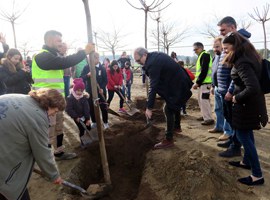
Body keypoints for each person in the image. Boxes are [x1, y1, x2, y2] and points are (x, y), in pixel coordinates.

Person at [31, 30, 95, 160]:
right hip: (46, 102)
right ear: (49, 41)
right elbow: (64, 62)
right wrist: (83, 52)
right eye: (58, 41)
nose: (61, 43)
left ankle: (59, 152)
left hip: (56, 102)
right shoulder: (41, 56)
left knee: (59, 128)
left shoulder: (52, 56)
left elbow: (62, 61)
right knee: (49, 130)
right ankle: (46, 159)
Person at [0, 88, 64, 200]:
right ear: (50, 104)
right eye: (56, 111)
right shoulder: (37, 116)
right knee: (10, 189)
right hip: (4, 165)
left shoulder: (17, 97)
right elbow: (42, 151)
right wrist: (54, 175)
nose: (54, 114)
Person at [222, 32, 267, 186]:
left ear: (235, 45)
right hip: (249, 105)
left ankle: (257, 175)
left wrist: (236, 97)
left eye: (226, 48)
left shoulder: (242, 62)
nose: (225, 51)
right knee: (247, 134)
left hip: (246, 105)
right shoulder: (248, 57)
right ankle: (247, 162)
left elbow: (252, 87)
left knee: (243, 137)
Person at [134, 47, 193, 149]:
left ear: (144, 55)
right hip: (178, 83)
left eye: (139, 60)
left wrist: (149, 107)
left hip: (179, 85)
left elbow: (153, 86)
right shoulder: (155, 56)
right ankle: (177, 127)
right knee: (174, 104)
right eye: (136, 62)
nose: (138, 63)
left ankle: (168, 140)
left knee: (168, 109)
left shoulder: (152, 63)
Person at [217, 16, 252, 158]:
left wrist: (231, 90)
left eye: (223, 29)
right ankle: (233, 141)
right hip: (224, 88)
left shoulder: (239, 44)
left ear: (232, 27)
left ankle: (236, 147)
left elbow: (235, 70)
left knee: (236, 122)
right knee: (231, 120)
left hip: (231, 90)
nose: (221, 32)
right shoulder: (230, 42)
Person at [208, 36, 233, 139]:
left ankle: (227, 131)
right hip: (218, 88)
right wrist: (213, 86)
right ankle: (219, 126)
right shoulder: (216, 57)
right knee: (218, 109)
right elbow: (215, 73)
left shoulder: (228, 56)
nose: (215, 49)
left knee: (226, 111)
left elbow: (232, 75)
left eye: (217, 46)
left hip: (226, 89)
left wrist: (230, 90)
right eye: (214, 47)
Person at [81, 52, 109, 129]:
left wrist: (102, 88)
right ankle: (94, 122)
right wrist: (87, 75)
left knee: (103, 107)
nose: (91, 60)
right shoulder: (87, 67)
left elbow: (106, 80)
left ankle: (105, 122)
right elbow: (81, 78)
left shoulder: (102, 68)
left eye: (94, 58)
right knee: (91, 107)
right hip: (90, 91)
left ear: (97, 58)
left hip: (100, 91)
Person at [192, 42, 214, 125]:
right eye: (194, 50)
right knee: (201, 101)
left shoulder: (205, 55)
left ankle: (208, 118)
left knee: (204, 101)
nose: (195, 51)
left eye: (196, 49)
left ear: (201, 48)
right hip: (203, 83)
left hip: (205, 83)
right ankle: (205, 115)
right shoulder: (201, 56)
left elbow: (204, 71)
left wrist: (198, 82)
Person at [65, 78, 91, 148]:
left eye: (81, 91)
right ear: (74, 89)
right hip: (77, 117)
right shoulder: (70, 98)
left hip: (84, 116)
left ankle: (89, 140)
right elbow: (69, 109)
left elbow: (86, 108)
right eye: (78, 90)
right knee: (82, 129)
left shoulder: (84, 97)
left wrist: (87, 118)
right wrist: (76, 117)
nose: (79, 92)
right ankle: (83, 142)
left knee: (88, 127)